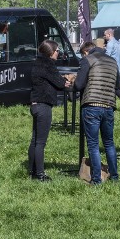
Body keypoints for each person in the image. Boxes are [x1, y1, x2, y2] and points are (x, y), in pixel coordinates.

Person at [74, 41, 120, 184]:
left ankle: (96, 179)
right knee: (109, 143)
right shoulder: (113, 61)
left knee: (93, 144)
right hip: (109, 105)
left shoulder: (87, 60)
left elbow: (78, 84)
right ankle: (114, 176)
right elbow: (117, 85)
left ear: (86, 52)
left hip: (92, 105)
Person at [28, 40, 71, 182]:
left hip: (34, 104)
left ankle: (32, 171)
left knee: (34, 140)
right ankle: (40, 175)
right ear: (51, 52)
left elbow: (51, 80)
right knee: (41, 142)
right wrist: (67, 80)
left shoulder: (37, 63)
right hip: (43, 105)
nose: (59, 53)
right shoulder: (48, 64)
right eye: (57, 50)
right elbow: (60, 84)